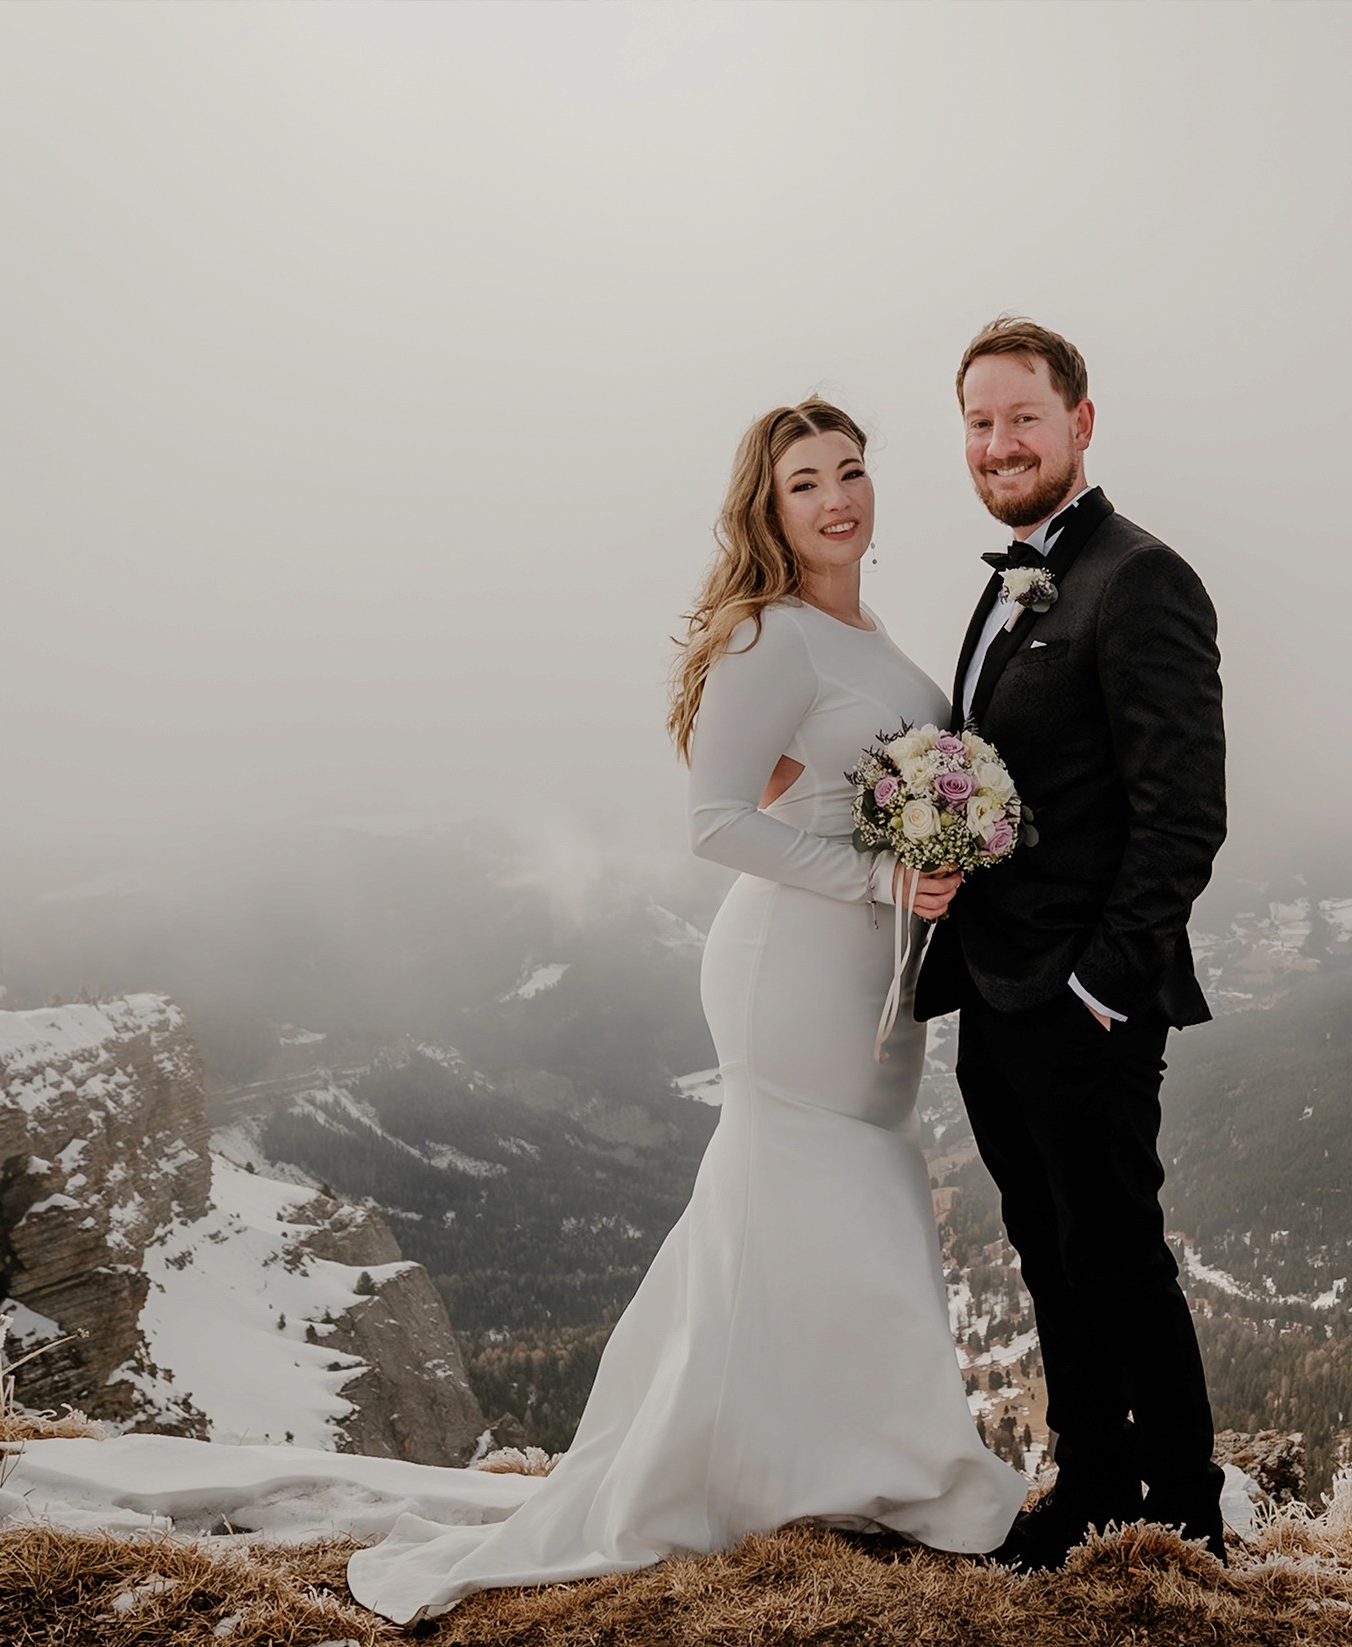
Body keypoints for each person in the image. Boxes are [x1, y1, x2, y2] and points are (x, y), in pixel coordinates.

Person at [347, 399, 1026, 1625]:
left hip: (875, 966)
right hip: (793, 965)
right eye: (805, 482)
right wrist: (877, 874)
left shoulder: (862, 627)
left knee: (837, 1197)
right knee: (827, 1186)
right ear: (768, 508)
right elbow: (714, 822)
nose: (837, 499)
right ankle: (863, 1469)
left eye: (851, 471)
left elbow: (811, 775)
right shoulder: (771, 634)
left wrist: (920, 851)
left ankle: (825, 1460)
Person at [912, 317, 1230, 1568]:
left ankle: (1187, 1516)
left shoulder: (1141, 579)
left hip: (1083, 998)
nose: (999, 444)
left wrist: (1101, 984)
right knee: (1049, 1254)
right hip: (995, 991)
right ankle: (1092, 1485)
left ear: (1080, 423)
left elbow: (1183, 813)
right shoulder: (1011, 581)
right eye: (979, 424)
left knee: (1119, 1257)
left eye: (1022, 419)